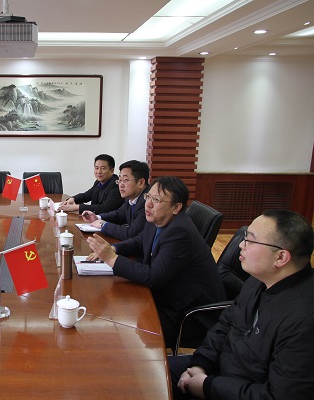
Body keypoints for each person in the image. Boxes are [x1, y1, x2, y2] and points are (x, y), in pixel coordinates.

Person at [169, 210, 314, 400]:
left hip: (236, 390)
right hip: (217, 370)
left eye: (250, 240)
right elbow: (225, 324)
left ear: (281, 257)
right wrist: (200, 364)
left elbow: (277, 396)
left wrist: (208, 386)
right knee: (142, 374)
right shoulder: (259, 280)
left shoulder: (303, 321)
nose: (240, 244)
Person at [86, 176, 225, 347]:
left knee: (122, 328)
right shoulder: (157, 219)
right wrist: (114, 248)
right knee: (117, 307)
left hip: (189, 313)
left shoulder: (180, 232)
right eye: (148, 197)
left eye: (157, 200)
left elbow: (154, 277)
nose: (148, 204)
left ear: (176, 207)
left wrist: (111, 258)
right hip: (169, 294)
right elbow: (140, 241)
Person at [81, 160, 150, 240]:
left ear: (141, 183)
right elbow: (119, 214)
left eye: (125, 180)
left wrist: (103, 225)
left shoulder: (148, 202)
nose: (121, 185)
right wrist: (97, 217)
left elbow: (131, 233)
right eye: (120, 180)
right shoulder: (131, 197)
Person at [58, 154, 124, 214]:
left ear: (112, 170)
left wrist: (77, 207)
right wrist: (72, 199)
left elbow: (104, 208)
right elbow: (86, 196)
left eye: (103, 168)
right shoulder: (98, 182)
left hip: (109, 221)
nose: (99, 172)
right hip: (95, 219)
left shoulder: (116, 185)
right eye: (96, 168)